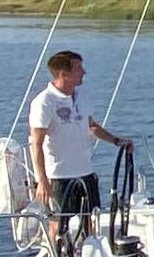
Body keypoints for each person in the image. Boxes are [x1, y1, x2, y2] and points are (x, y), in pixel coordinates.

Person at [28, 50, 131, 244]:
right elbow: (37, 143)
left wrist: (117, 141)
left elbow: (91, 126)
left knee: (90, 220)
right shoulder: (44, 102)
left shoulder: (81, 96)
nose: (84, 72)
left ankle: (88, 254)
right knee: (58, 224)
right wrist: (42, 180)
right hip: (59, 175)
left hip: (85, 171)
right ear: (63, 74)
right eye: (78, 68)